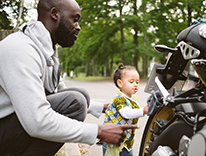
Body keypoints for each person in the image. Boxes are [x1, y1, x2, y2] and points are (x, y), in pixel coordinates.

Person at [0, 0, 138, 155]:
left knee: (81, 96)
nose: (78, 27)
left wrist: (102, 108)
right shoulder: (21, 49)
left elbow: (59, 92)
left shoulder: (45, 49)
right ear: (54, 14)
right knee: (76, 102)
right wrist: (98, 131)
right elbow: (37, 120)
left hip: (13, 125)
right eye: (75, 19)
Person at [100, 64, 149, 156]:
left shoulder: (132, 99)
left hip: (126, 140)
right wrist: (143, 111)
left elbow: (138, 111)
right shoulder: (119, 99)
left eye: (137, 82)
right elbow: (126, 113)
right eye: (131, 82)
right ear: (120, 83)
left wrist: (147, 109)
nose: (135, 85)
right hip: (113, 140)